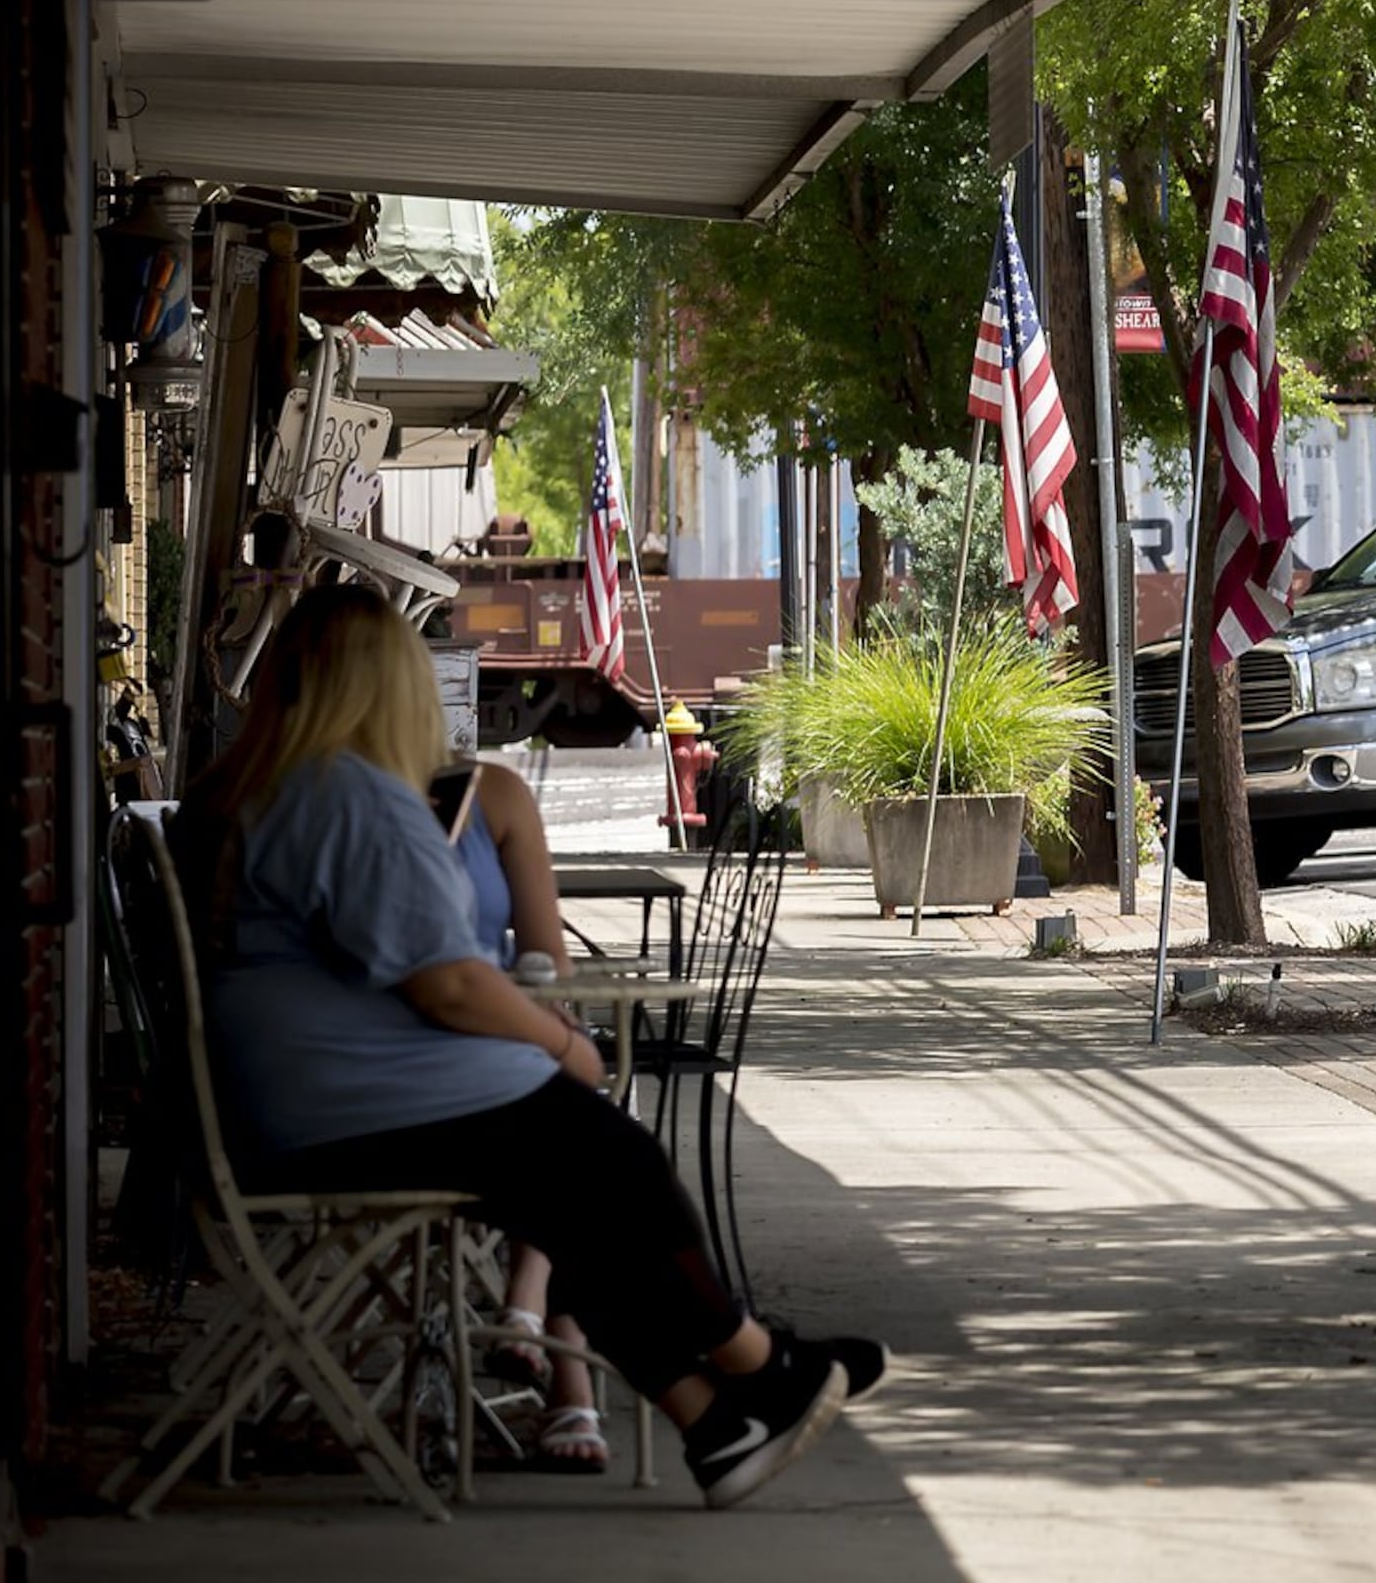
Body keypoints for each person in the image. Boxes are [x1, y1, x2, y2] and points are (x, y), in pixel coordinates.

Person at [190, 584, 887, 1508]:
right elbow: (447, 981)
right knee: (620, 1160)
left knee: (579, 1204)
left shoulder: (255, 788)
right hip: (346, 1110)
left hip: (291, 1100)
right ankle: (758, 1361)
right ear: (388, 687)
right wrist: (564, 1042)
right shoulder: (349, 794)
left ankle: (716, 1426)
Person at [441, 760, 608, 1471]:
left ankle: (529, 1314)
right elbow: (546, 964)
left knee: (554, 1109)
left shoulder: (279, 796)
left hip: (288, 1106)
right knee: (572, 1118)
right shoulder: (457, 797)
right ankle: (558, 1362)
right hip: (414, 1084)